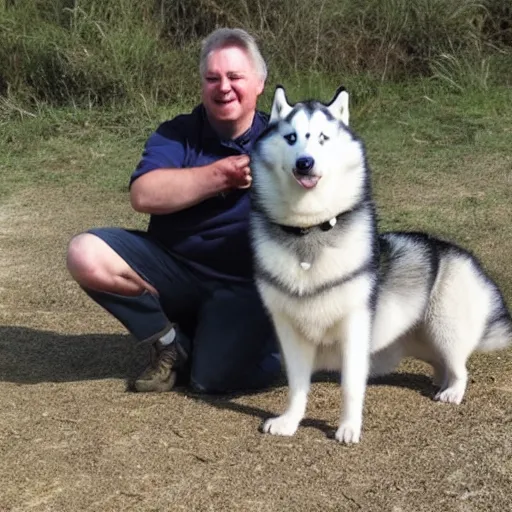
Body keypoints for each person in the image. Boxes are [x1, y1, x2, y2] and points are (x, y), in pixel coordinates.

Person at [66, 28, 281, 393]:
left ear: (259, 83)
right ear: (202, 84)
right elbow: (144, 194)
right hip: (172, 273)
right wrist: (221, 175)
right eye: (212, 78)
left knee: (210, 380)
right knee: (84, 253)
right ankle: (169, 343)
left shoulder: (283, 139)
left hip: (242, 286)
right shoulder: (176, 133)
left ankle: (261, 342)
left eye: (234, 77)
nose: (223, 87)